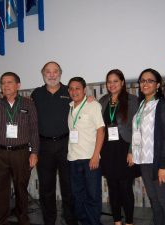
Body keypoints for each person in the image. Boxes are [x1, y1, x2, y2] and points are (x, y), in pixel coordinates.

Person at [0, 72, 39, 225]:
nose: (5, 85)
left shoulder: (28, 104)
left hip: (21, 153)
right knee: (0, 190)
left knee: (21, 190)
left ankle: (23, 220)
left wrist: (34, 152)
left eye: (9, 82)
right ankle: (1, 221)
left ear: (18, 85)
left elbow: (34, 129)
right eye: (3, 82)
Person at [30, 61, 78, 225]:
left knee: (68, 186)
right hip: (44, 146)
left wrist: (90, 98)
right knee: (46, 187)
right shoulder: (36, 94)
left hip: (66, 144)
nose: (51, 75)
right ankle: (49, 221)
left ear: (60, 73)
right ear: (43, 74)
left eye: (55, 71)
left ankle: (71, 220)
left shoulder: (69, 91)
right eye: (48, 72)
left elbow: (82, 102)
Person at [132, 68, 165, 225]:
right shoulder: (142, 104)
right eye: (142, 80)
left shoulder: (161, 104)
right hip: (144, 161)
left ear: (158, 85)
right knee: (154, 200)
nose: (145, 83)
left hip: (157, 162)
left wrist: (164, 165)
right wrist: (132, 151)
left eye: (149, 80)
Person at [98, 69, 139, 225]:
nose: (112, 84)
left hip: (124, 148)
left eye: (115, 81)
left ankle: (129, 221)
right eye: (109, 81)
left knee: (125, 188)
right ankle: (116, 221)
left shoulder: (132, 100)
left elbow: (137, 128)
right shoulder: (102, 101)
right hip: (108, 150)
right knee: (113, 187)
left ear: (122, 82)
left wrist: (132, 151)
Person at [67, 77, 105, 225]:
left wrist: (96, 156)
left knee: (93, 195)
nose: (74, 91)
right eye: (71, 88)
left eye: (77, 88)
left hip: (90, 158)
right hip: (73, 159)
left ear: (84, 90)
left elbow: (100, 130)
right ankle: (84, 222)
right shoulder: (70, 106)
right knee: (78, 195)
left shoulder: (93, 105)